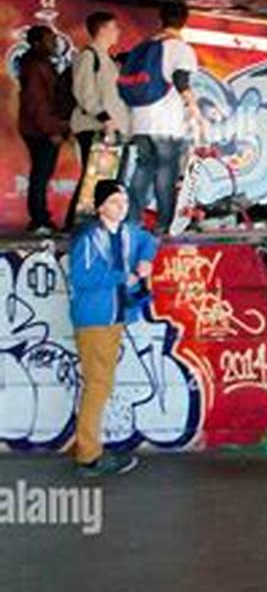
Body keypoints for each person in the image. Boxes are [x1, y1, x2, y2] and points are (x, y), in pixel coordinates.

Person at [68, 179, 157, 477]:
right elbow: (82, 278)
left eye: (125, 202)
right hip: (95, 320)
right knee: (98, 386)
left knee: (99, 385)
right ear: (100, 207)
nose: (122, 207)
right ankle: (89, 457)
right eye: (116, 202)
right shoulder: (88, 238)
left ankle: (88, 449)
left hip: (115, 316)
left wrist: (145, 260)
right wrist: (124, 277)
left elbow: (149, 241)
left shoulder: (126, 232)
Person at [121, 1, 200, 233]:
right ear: (184, 20)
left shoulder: (145, 46)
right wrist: (193, 107)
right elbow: (180, 78)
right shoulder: (180, 48)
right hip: (165, 122)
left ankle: (132, 221)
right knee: (166, 172)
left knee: (143, 168)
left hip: (140, 119)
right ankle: (164, 225)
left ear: (161, 19)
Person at [68, 11, 131, 231]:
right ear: (103, 29)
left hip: (110, 127)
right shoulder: (89, 56)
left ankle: (93, 223)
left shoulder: (107, 59)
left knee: (105, 179)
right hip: (94, 126)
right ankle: (78, 225)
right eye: (114, 27)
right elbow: (84, 92)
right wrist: (104, 117)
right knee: (94, 179)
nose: (118, 32)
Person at [18, 25, 69, 235]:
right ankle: (39, 219)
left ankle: (40, 217)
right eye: (49, 40)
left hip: (39, 127)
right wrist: (52, 130)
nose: (54, 44)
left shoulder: (40, 63)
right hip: (40, 129)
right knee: (41, 173)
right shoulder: (36, 65)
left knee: (42, 172)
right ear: (37, 42)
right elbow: (37, 102)